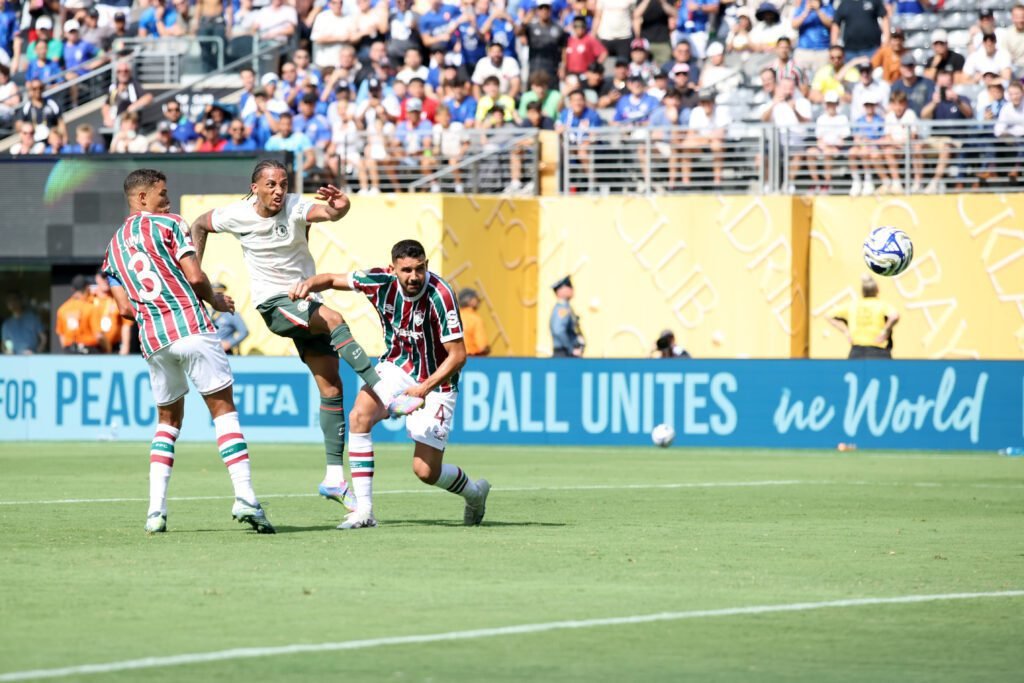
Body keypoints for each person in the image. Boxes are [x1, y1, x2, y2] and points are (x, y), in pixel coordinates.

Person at [190, 160, 424, 521]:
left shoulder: (295, 206)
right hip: (275, 305)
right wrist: (197, 276)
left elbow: (329, 212)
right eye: (270, 184)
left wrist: (339, 206)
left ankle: (333, 477)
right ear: (255, 187)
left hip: (304, 304)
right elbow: (200, 223)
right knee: (334, 318)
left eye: (283, 183)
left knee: (331, 388)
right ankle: (387, 394)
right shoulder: (235, 214)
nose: (278, 190)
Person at [101, 169, 273, 534]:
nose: (168, 199)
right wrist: (216, 299)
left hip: (153, 339)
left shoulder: (113, 248)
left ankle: (155, 512)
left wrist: (153, 313)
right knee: (223, 411)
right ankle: (245, 496)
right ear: (142, 197)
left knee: (167, 422)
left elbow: (124, 310)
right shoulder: (171, 225)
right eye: (162, 193)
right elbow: (195, 277)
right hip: (190, 326)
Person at [288, 239, 491, 529]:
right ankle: (365, 511)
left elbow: (458, 356)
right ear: (393, 268)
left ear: (426, 266)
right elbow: (333, 279)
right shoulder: (379, 281)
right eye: (406, 270)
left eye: (419, 269)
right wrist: (308, 284)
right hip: (396, 367)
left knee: (425, 471)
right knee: (359, 416)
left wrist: (423, 389)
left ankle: (474, 493)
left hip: (437, 381)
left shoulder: (441, 294)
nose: (413, 277)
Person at [827, 274, 899, 359]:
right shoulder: (881, 305)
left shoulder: (853, 305)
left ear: (863, 291)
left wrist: (846, 331)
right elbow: (894, 316)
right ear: (877, 290)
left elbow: (829, 315)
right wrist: (885, 331)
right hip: (879, 350)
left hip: (857, 351)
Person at [55, 275, 100, 354]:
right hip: (89, 352)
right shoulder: (90, 308)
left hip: (69, 351)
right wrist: (107, 349)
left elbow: (62, 336)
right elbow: (98, 335)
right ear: (86, 288)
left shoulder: (62, 309)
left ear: (73, 289)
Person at [550, 275, 583, 357]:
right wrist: (571, 348)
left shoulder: (566, 308)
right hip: (564, 354)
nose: (572, 289)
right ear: (560, 291)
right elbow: (558, 330)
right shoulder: (562, 309)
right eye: (568, 286)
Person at [210, 282, 249, 354]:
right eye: (214, 294)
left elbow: (244, 332)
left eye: (219, 294)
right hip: (208, 351)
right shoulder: (206, 311)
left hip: (225, 352)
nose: (217, 297)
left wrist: (229, 343)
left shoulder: (231, 313)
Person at [458, 287, 489, 356]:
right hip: (472, 360)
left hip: (454, 360)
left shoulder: (454, 316)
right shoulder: (475, 319)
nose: (478, 301)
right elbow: (482, 346)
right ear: (469, 301)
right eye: (476, 298)